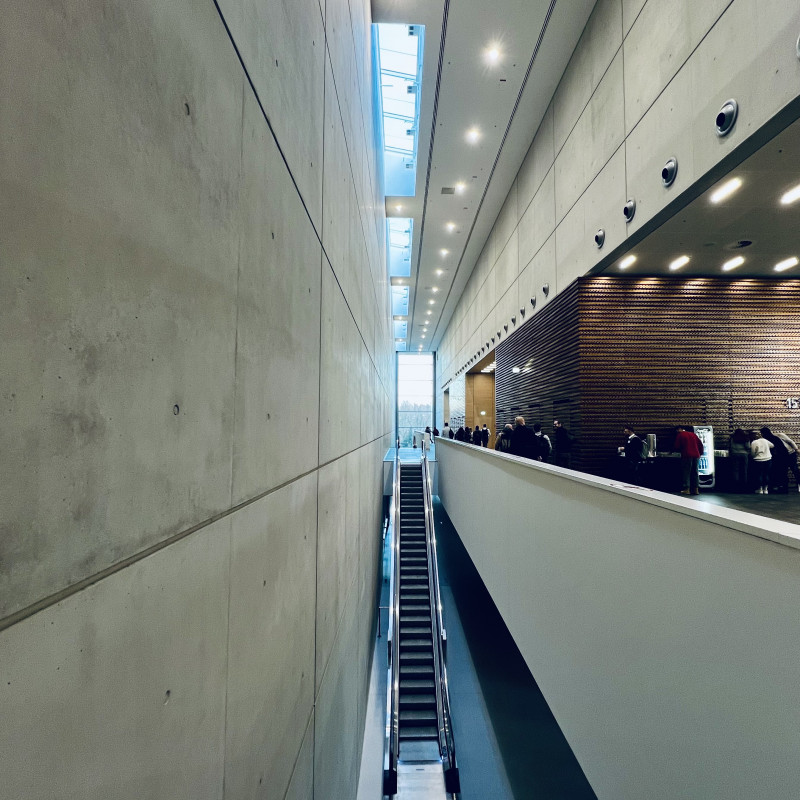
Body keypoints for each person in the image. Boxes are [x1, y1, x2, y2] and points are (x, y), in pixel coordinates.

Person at [674, 425, 703, 495]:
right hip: (696, 455)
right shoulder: (693, 434)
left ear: (679, 429)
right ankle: (696, 490)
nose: (677, 432)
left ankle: (687, 489)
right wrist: (700, 453)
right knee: (695, 472)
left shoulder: (680, 435)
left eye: (677, 430)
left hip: (687, 455)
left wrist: (675, 450)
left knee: (686, 472)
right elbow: (700, 444)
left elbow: (677, 445)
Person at [761, 427, 789, 493]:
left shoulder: (767, 439)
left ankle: (774, 487)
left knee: (775, 472)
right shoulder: (776, 438)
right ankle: (784, 487)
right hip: (784, 457)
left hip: (777, 458)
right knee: (783, 473)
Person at [750, 429, 773, 494]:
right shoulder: (765, 440)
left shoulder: (754, 442)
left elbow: (752, 452)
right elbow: (772, 445)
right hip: (768, 459)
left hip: (758, 460)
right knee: (766, 474)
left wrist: (754, 456)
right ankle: (766, 489)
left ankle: (760, 489)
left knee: (759, 474)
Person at [728, 428, 750, 492]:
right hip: (744, 455)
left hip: (735, 454)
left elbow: (730, 446)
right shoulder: (746, 438)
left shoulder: (733, 438)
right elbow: (748, 447)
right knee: (744, 470)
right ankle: (744, 485)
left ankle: (736, 485)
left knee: (735, 470)